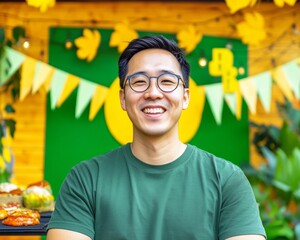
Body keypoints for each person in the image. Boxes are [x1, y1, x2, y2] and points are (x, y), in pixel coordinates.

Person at [46, 35, 266, 240]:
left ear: (185, 96)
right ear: (123, 98)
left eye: (167, 81)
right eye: (139, 82)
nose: (153, 93)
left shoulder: (227, 181)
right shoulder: (85, 180)